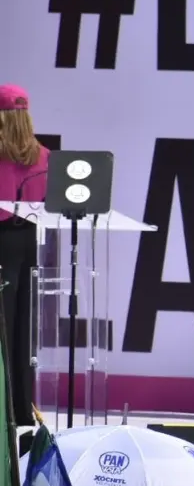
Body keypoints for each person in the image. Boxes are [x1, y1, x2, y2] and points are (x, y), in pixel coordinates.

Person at [0, 83, 48, 427]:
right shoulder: (45, 157)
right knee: (24, 329)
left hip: (2, 240)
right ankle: (20, 408)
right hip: (30, 242)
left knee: (3, 328)